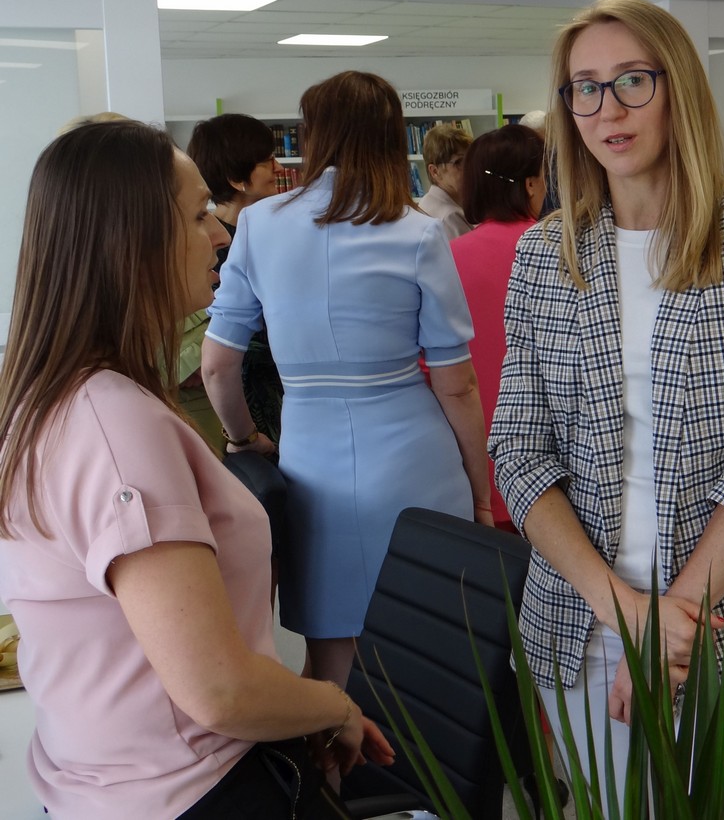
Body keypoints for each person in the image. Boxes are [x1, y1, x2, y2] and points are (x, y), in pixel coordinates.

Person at [488, 0, 724, 814]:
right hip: (584, 619)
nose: (608, 109)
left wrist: (677, 622)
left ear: (677, 89)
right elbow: (518, 452)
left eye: (632, 81)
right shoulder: (546, 255)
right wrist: (626, 616)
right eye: (585, 87)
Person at [0, 120, 392, 820]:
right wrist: (331, 704)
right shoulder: (115, 425)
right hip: (194, 789)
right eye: (196, 214)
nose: (219, 234)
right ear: (131, 242)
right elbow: (219, 690)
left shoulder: (42, 400)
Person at [203, 71, 493, 692]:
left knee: (330, 660)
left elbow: (217, 365)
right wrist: (479, 493)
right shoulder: (417, 231)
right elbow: (458, 386)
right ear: (392, 139)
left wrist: (244, 437)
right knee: (431, 657)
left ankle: (337, 781)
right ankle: (425, 786)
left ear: (313, 137)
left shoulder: (258, 225)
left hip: (312, 457)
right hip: (415, 456)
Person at [451, 124, 546, 534]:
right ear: (529, 184)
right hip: (550, 458)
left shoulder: (447, 256)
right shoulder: (560, 252)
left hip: (472, 452)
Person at [187, 113, 286, 445]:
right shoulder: (210, 246)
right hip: (239, 405)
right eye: (265, 160)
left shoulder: (277, 233)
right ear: (235, 176)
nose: (279, 167)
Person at [418, 122, 473, 239]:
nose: (468, 167)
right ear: (435, 171)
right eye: (458, 162)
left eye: (469, 159)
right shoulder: (450, 216)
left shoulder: (426, 202)